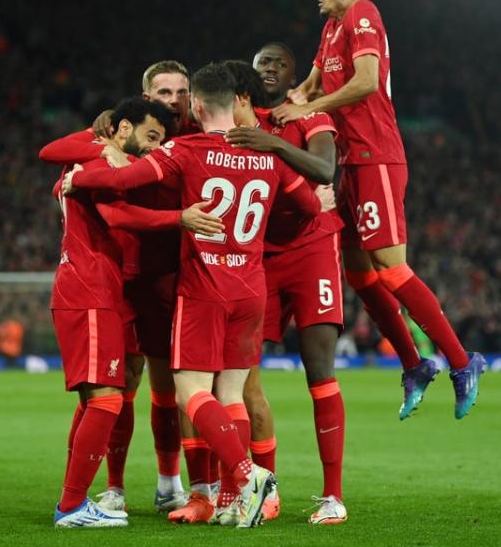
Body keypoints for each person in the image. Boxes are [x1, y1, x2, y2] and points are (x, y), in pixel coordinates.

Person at [63, 63, 326, 528]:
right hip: (251, 285)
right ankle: (230, 498)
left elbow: (123, 182)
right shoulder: (269, 153)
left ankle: (247, 477)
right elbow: (308, 207)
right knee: (232, 396)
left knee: (189, 393)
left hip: (204, 288)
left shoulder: (184, 149)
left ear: (198, 106)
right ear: (238, 101)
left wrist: (77, 180)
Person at [273, 0, 486, 420]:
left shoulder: (363, 14)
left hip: (376, 158)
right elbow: (306, 89)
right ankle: (415, 364)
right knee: (359, 274)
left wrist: (309, 109)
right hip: (349, 163)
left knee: (390, 268)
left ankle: (462, 361)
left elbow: (367, 81)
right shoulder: (330, 31)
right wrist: (269, 110)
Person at [48, 96, 222, 529]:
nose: (153, 148)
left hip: (93, 288)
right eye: (149, 137)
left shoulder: (100, 167)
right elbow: (117, 214)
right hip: (91, 289)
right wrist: (179, 217)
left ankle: (76, 501)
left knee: (96, 401)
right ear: (123, 128)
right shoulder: (97, 169)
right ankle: (72, 506)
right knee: (107, 400)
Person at [224, 54, 348, 524]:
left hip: (313, 247)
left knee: (319, 369)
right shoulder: (244, 120)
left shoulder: (310, 115)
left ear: (295, 76)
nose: (268, 66)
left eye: (278, 61)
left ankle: (332, 494)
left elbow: (324, 168)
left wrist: (271, 143)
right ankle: (263, 490)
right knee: (241, 377)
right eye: (260, 62)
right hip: (258, 255)